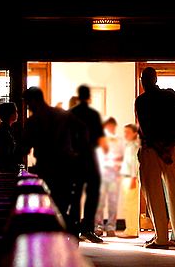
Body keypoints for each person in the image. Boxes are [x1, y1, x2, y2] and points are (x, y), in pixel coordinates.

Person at [134, 67, 175, 249]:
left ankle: (161, 238)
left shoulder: (142, 101)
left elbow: (146, 129)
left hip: (152, 150)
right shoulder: (171, 96)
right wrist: (169, 147)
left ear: (144, 81)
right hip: (171, 148)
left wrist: (160, 149)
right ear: (156, 78)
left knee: (153, 193)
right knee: (174, 190)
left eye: (143, 78)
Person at [21, 87, 81, 234]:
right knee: (65, 205)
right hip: (67, 167)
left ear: (34, 101)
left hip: (47, 169)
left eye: (28, 103)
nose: (28, 107)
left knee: (49, 209)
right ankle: (71, 237)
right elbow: (80, 139)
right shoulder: (64, 115)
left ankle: (54, 241)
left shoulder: (33, 121)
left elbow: (23, 148)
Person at [70, 85, 105, 244]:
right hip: (90, 157)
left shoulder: (71, 114)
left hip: (75, 158)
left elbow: (67, 137)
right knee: (93, 193)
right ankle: (87, 228)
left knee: (75, 194)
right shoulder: (93, 114)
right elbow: (98, 138)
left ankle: (74, 228)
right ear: (88, 97)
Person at [96, 117, 124, 236]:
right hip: (102, 172)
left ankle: (111, 227)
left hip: (114, 173)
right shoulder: (100, 140)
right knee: (100, 202)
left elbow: (122, 155)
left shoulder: (118, 140)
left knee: (113, 201)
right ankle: (98, 226)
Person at [117, 123, 141, 238]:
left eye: (127, 132)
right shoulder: (128, 146)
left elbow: (133, 164)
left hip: (130, 177)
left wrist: (133, 177)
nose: (125, 134)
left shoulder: (133, 147)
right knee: (128, 204)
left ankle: (132, 230)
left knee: (131, 204)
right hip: (126, 177)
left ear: (134, 133)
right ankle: (131, 228)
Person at [0, 102, 22, 171]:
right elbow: (6, 155)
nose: (17, 114)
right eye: (16, 112)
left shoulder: (6, 129)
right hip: (6, 170)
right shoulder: (4, 131)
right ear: (11, 114)